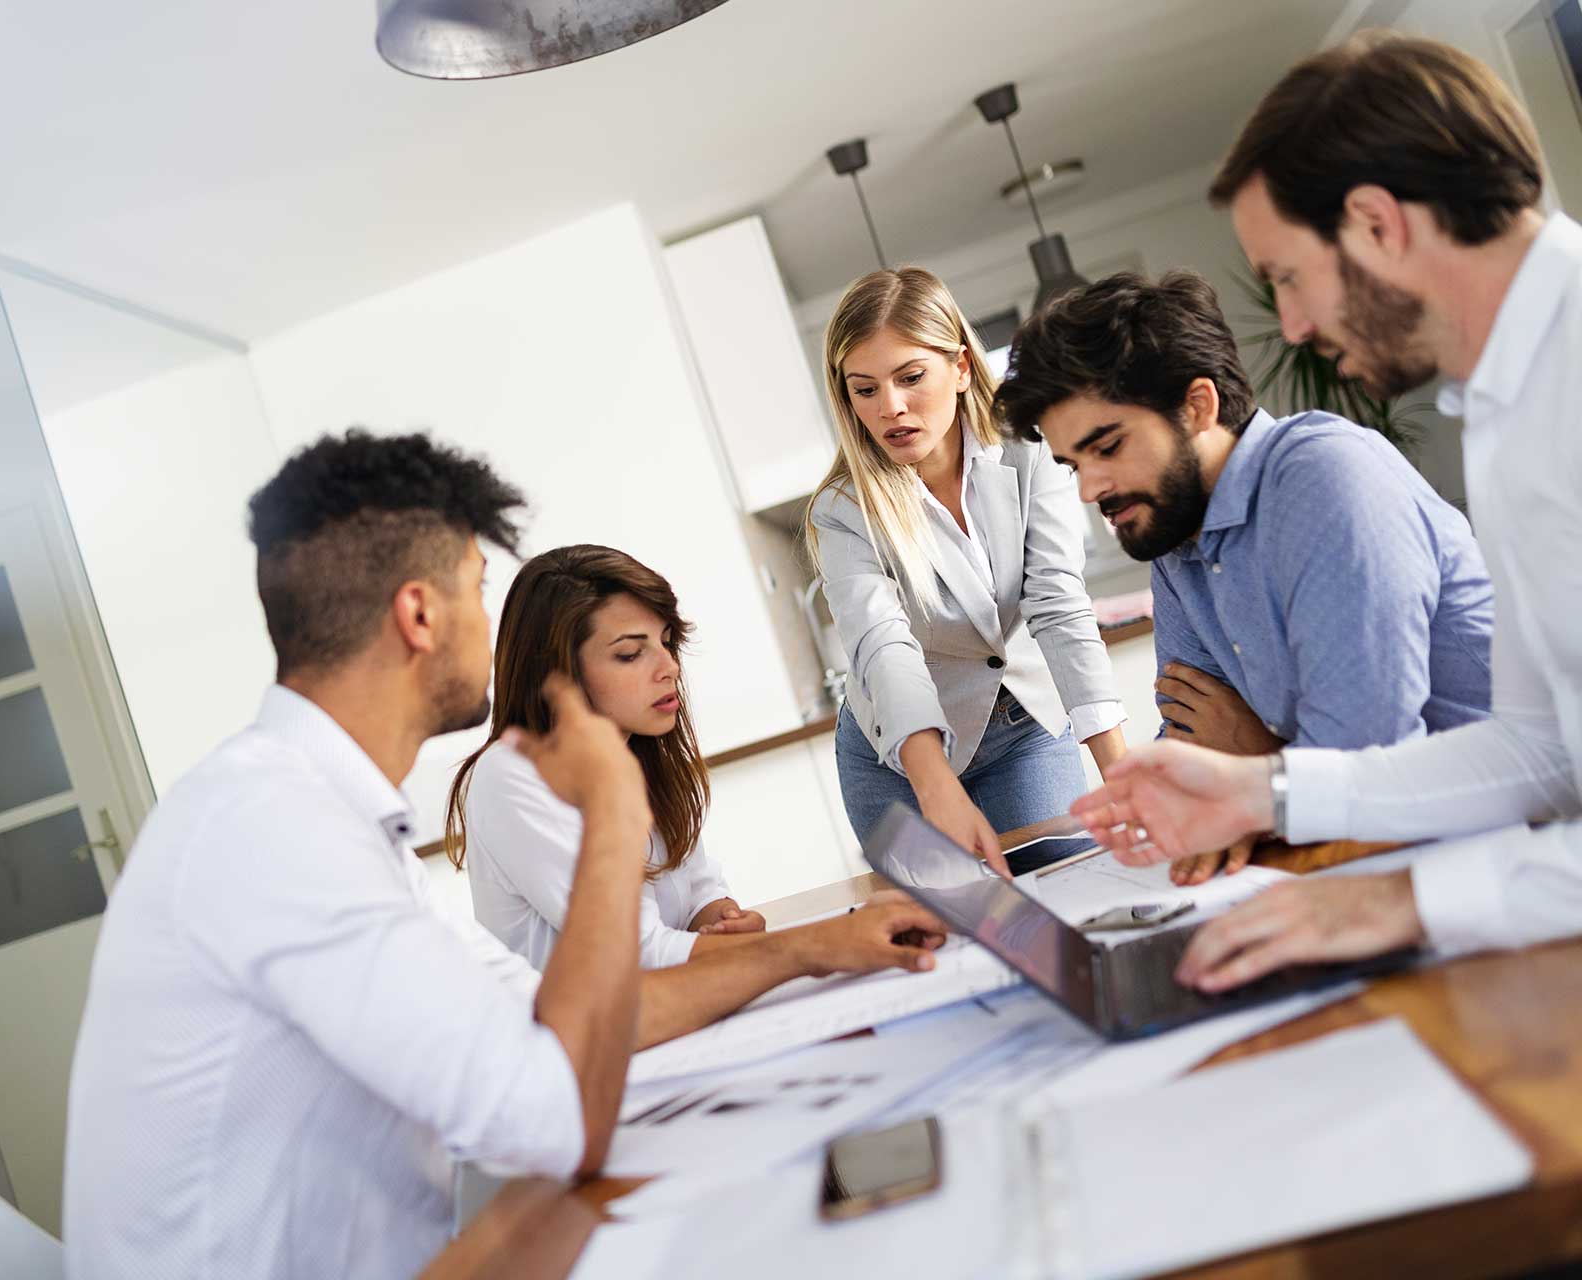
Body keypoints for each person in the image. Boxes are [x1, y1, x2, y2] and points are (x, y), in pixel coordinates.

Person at [63, 430, 946, 1279]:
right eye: (479, 589)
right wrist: (611, 813)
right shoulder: (275, 832)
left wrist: (813, 948)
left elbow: (555, 1017)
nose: (491, 624)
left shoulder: (310, 813)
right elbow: (555, 1117)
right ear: (420, 614)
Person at [1071, 31, 1582, 994]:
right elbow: (1543, 746)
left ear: (1377, 224)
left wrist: (1406, 901)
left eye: (1288, 276)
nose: (1293, 327)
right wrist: (1260, 790)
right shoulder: (1504, 407)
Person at [993, 268, 1493, 884]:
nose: (1089, 489)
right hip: (1370, 847)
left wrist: (1256, 764)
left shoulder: (1327, 479)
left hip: (1502, 835)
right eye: (1074, 465)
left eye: (1109, 446)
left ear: (1197, 407)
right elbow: (1191, 740)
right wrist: (1229, 784)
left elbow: (1367, 761)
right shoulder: (1176, 533)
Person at [807, 267, 1127, 876]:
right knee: (959, 922)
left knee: (1067, 885)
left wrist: (1123, 774)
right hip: (897, 760)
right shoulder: (843, 510)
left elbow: (1057, 601)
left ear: (959, 367)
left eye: (910, 377)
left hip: (1023, 725)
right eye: (865, 389)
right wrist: (933, 786)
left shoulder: (1030, 449)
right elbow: (882, 646)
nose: (890, 407)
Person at [448, 545, 761, 970]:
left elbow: (696, 891)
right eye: (630, 654)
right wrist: (798, 948)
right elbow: (638, 951)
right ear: (558, 673)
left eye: (667, 642)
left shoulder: (632, 750)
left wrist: (723, 919)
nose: (669, 666)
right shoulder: (512, 776)